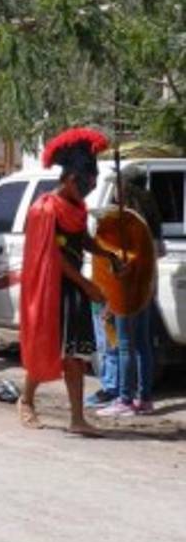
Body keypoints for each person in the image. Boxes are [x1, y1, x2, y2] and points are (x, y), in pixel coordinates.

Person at [18, 127, 122, 436]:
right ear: (69, 179)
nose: (88, 192)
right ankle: (26, 400)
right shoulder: (44, 209)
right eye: (85, 185)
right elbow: (53, 256)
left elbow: (81, 240)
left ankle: (77, 418)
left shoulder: (77, 207)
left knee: (75, 353)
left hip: (73, 286)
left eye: (92, 186)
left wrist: (108, 254)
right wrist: (88, 285)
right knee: (48, 348)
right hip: (50, 288)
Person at [91, 166, 164, 418]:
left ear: (126, 188)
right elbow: (158, 253)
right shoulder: (148, 219)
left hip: (126, 290)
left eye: (118, 186)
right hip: (146, 289)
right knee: (142, 346)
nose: (114, 191)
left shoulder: (128, 220)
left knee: (125, 346)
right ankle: (144, 398)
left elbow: (121, 261)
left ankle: (125, 398)